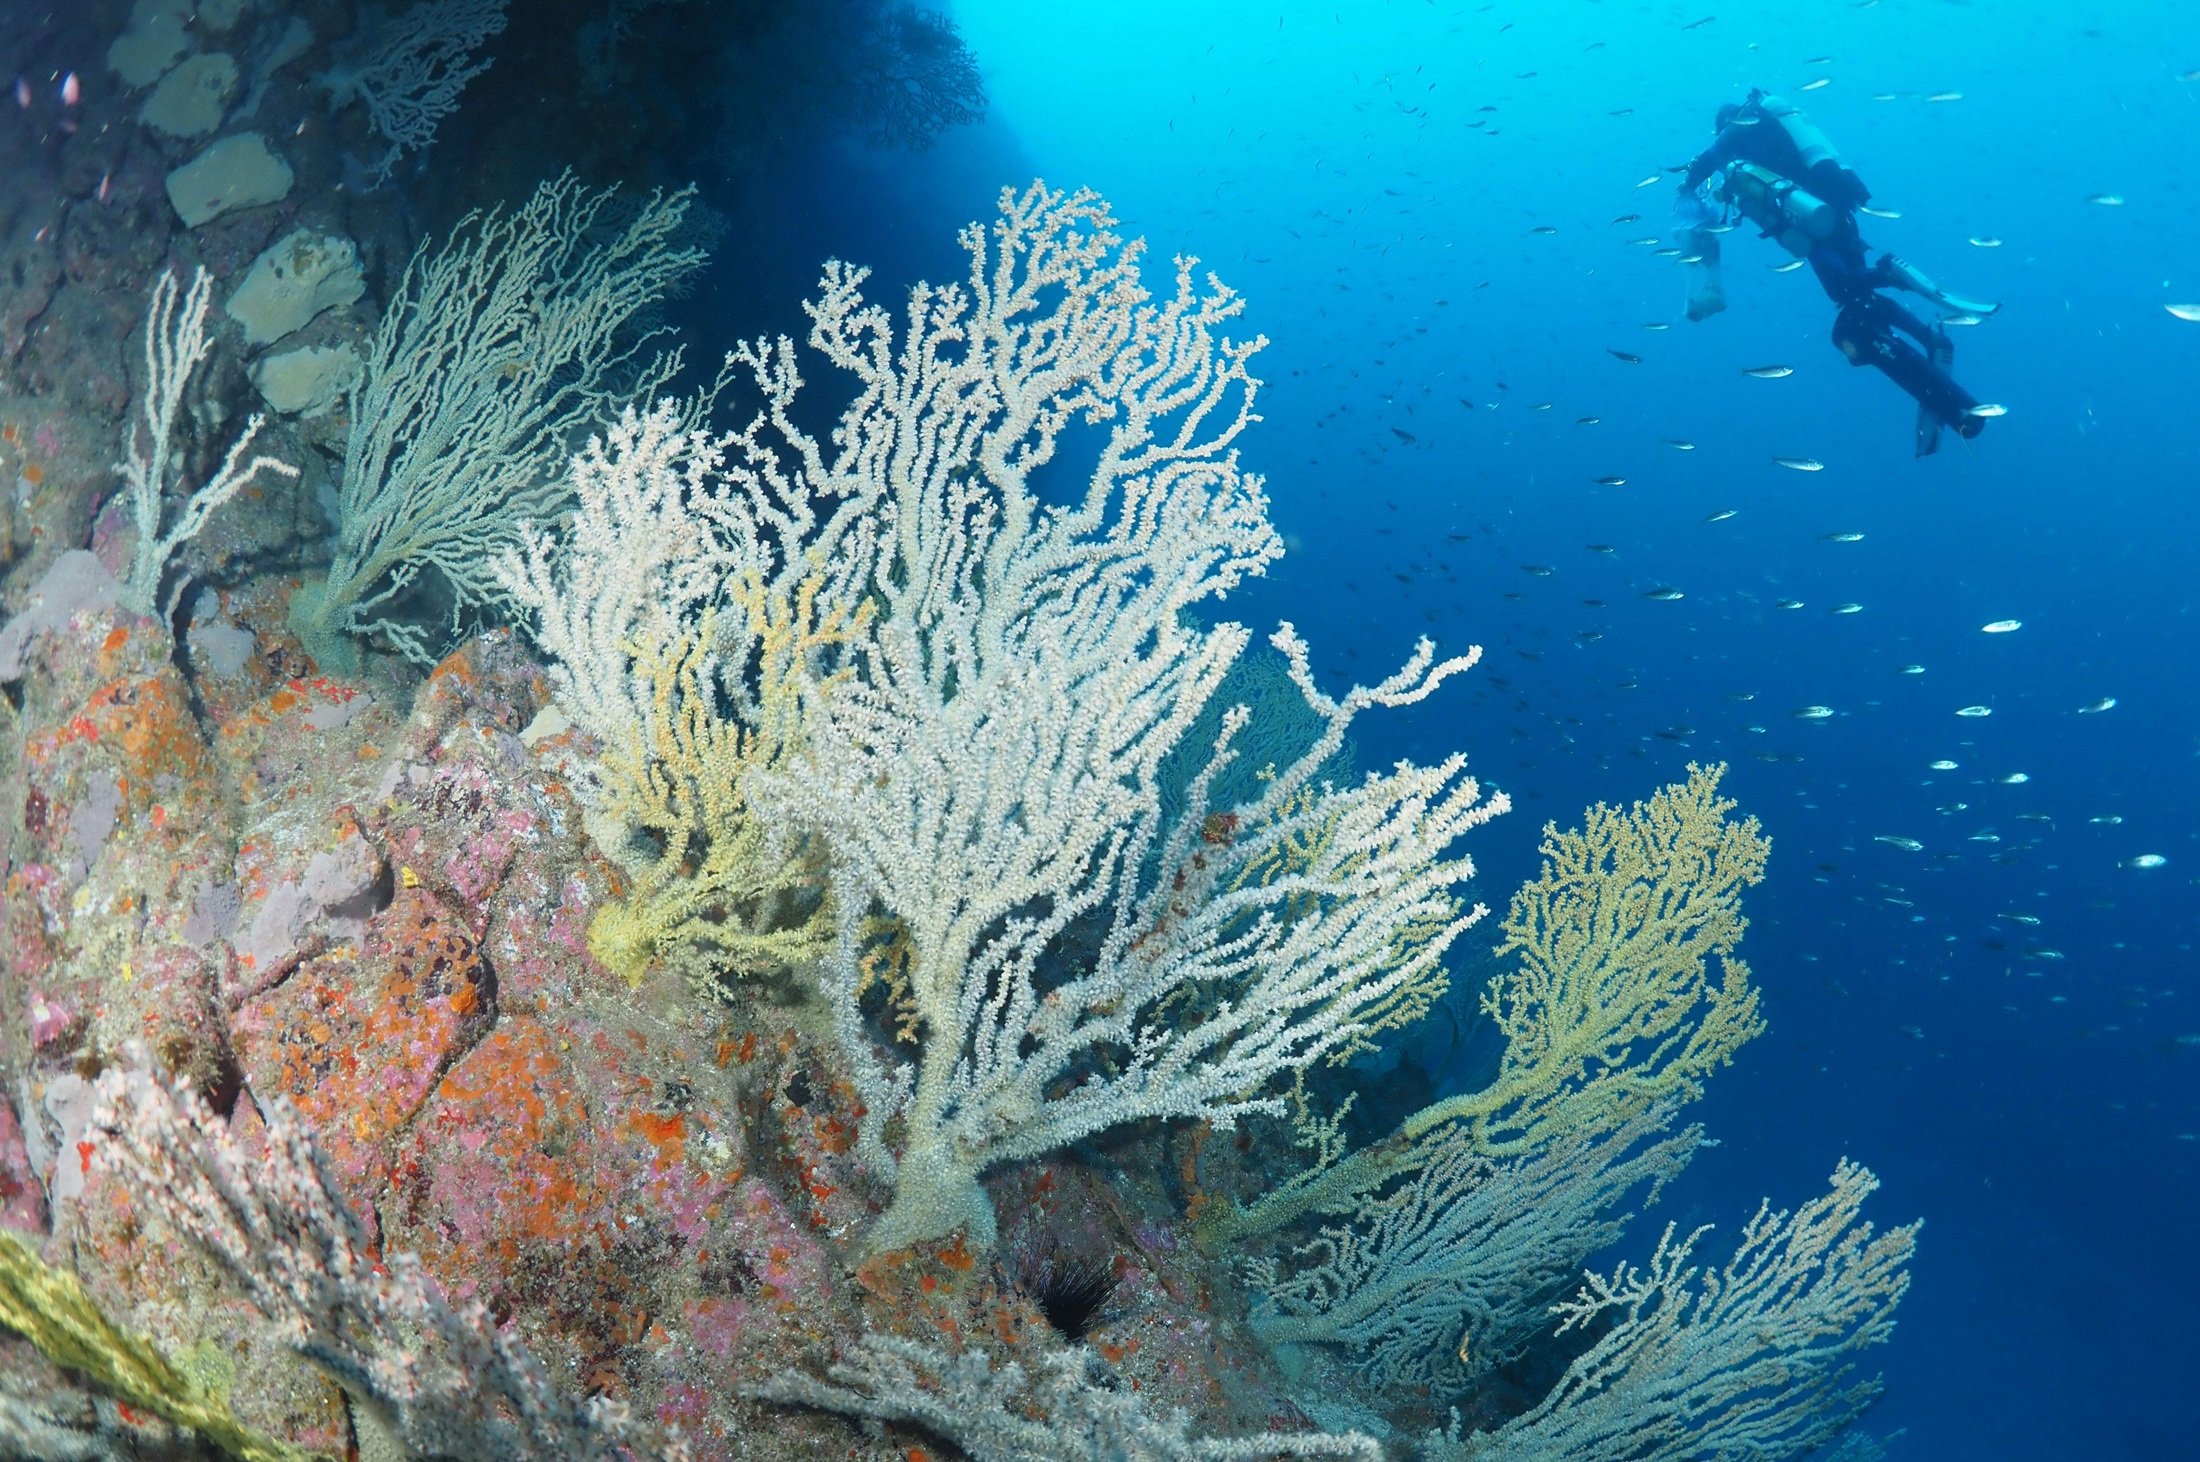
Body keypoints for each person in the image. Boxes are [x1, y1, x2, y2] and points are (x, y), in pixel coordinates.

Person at [1676, 89, 1998, 455]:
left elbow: (1712, 156)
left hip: (1815, 223)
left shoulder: (1740, 132)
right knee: (1860, 309)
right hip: (1834, 212)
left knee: (1847, 307)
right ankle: (1939, 360)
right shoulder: (1775, 134)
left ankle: (1892, 274)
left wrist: (1688, 183)